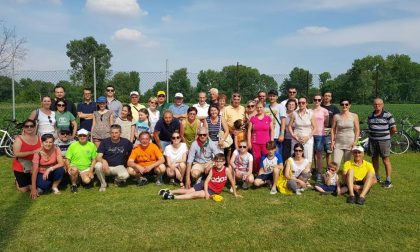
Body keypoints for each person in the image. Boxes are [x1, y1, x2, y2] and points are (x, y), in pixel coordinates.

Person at [160, 153, 240, 200]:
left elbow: (232, 181)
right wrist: (206, 193)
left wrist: (235, 194)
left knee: (196, 194)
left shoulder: (226, 170)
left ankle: (173, 197)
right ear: (214, 162)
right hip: (205, 185)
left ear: (224, 162)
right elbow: (206, 182)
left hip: (213, 190)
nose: (219, 163)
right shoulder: (212, 169)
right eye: (217, 161)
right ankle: (169, 191)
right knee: (189, 191)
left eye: (221, 161)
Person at [94, 124, 133, 192]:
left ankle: (117, 180)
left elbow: (133, 150)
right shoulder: (105, 142)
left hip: (119, 166)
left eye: (116, 133)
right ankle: (103, 184)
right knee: (97, 166)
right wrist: (103, 161)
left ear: (120, 133)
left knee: (125, 176)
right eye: (112, 133)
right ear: (110, 133)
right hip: (106, 167)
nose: (114, 135)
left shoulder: (126, 142)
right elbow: (98, 157)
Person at [368, 98, 397, 188]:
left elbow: (394, 129)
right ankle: (376, 177)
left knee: (385, 160)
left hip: (384, 141)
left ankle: (388, 180)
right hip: (373, 140)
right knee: (374, 159)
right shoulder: (370, 115)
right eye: (375, 104)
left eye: (379, 104)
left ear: (383, 104)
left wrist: (387, 137)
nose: (377, 106)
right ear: (373, 105)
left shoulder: (388, 115)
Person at [31, 134, 65, 198]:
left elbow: (61, 163)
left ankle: (54, 187)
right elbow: (34, 171)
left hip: (52, 170)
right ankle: (47, 183)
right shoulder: (37, 153)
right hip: (41, 172)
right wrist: (33, 188)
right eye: (46, 142)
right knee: (44, 186)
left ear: (53, 142)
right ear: (42, 142)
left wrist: (49, 169)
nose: (48, 144)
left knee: (61, 170)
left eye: (50, 142)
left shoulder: (56, 148)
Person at [12, 119, 42, 192]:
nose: (29, 128)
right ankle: (17, 181)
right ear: (23, 128)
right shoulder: (19, 139)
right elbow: (16, 154)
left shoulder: (39, 137)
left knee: (35, 187)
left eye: (31, 126)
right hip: (22, 166)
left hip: (35, 164)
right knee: (24, 189)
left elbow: (42, 149)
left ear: (35, 127)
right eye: (27, 126)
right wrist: (33, 152)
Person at [66, 129, 98, 193]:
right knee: (74, 170)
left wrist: (91, 171)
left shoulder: (92, 145)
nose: (82, 137)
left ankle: (79, 179)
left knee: (87, 181)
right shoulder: (73, 145)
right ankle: (74, 185)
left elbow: (94, 160)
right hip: (75, 166)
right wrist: (69, 167)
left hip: (86, 168)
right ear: (77, 136)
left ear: (88, 136)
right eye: (80, 135)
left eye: (84, 135)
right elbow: (67, 159)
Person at [331, 98, 360, 168]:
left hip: (350, 143)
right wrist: (332, 141)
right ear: (340, 105)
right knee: (335, 163)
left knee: (347, 164)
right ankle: (333, 177)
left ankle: (347, 178)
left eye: (346, 104)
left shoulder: (354, 116)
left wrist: (355, 142)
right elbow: (333, 130)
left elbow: (357, 130)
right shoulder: (336, 116)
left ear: (349, 105)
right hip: (338, 143)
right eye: (342, 104)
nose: (344, 106)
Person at [288, 97, 316, 167]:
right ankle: (293, 172)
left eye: (303, 103)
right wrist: (294, 136)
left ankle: (307, 173)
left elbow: (315, 128)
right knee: (294, 155)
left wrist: (308, 137)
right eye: (299, 103)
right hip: (296, 138)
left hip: (308, 139)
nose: (301, 104)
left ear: (306, 103)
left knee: (308, 156)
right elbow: (289, 126)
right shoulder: (294, 113)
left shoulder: (311, 113)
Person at [248, 101, 274, 174]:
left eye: (260, 107)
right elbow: (249, 131)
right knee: (256, 159)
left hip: (266, 143)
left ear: (263, 108)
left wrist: (271, 141)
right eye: (257, 107)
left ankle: (267, 173)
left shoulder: (268, 118)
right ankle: (257, 173)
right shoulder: (253, 118)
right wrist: (249, 142)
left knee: (267, 158)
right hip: (255, 142)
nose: (259, 109)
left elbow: (272, 130)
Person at [311, 94, 329, 182]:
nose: (317, 101)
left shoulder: (324, 111)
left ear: (321, 101)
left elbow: (326, 123)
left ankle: (319, 173)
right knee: (310, 154)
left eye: (319, 100)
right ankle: (311, 170)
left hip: (320, 135)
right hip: (310, 134)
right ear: (313, 100)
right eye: (315, 99)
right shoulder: (309, 111)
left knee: (319, 155)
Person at [223, 93, 245, 161]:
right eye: (235, 99)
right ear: (232, 100)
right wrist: (232, 131)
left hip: (241, 134)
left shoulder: (243, 108)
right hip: (231, 133)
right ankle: (230, 166)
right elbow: (224, 122)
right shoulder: (226, 109)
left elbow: (245, 120)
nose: (236, 101)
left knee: (242, 150)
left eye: (238, 99)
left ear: (240, 100)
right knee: (231, 152)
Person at [321, 91, 340, 165]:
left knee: (328, 152)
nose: (327, 97)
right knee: (318, 152)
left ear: (331, 98)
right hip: (319, 131)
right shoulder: (319, 106)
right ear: (323, 97)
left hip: (329, 131)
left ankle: (329, 168)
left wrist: (335, 132)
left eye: (329, 96)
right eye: (325, 95)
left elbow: (338, 120)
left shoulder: (334, 108)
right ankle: (317, 169)